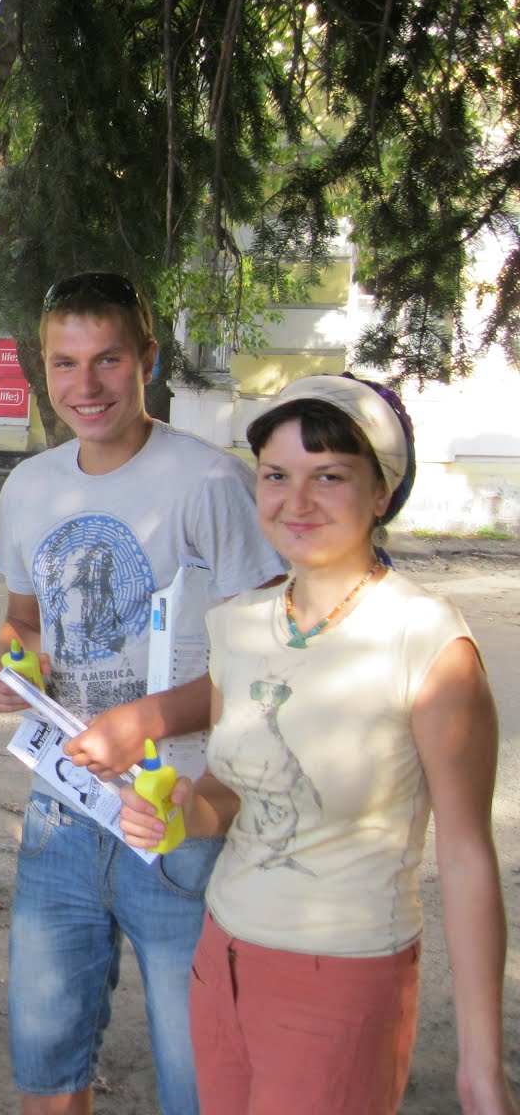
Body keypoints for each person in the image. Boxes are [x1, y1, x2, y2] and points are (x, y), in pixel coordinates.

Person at [118, 375, 517, 1115]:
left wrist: (481, 1069)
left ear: (381, 493)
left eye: (328, 476)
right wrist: (180, 812)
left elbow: (466, 856)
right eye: (276, 476)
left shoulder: (427, 641)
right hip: (221, 958)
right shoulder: (238, 624)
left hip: (343, 980)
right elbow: (231, 794)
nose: (296, 502)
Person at [0, 273, 285, 1115]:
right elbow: (24, 620)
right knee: (47, 1070)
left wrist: (143, 721)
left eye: (108, 359)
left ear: (147, 358)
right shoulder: (30, 486)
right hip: (61, 812)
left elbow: (267, 668)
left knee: (199, 1076)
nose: (86, 385)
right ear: (43, 368)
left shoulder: (210, 483)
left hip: (179, 815)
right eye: (65, 362)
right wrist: (12, 664)